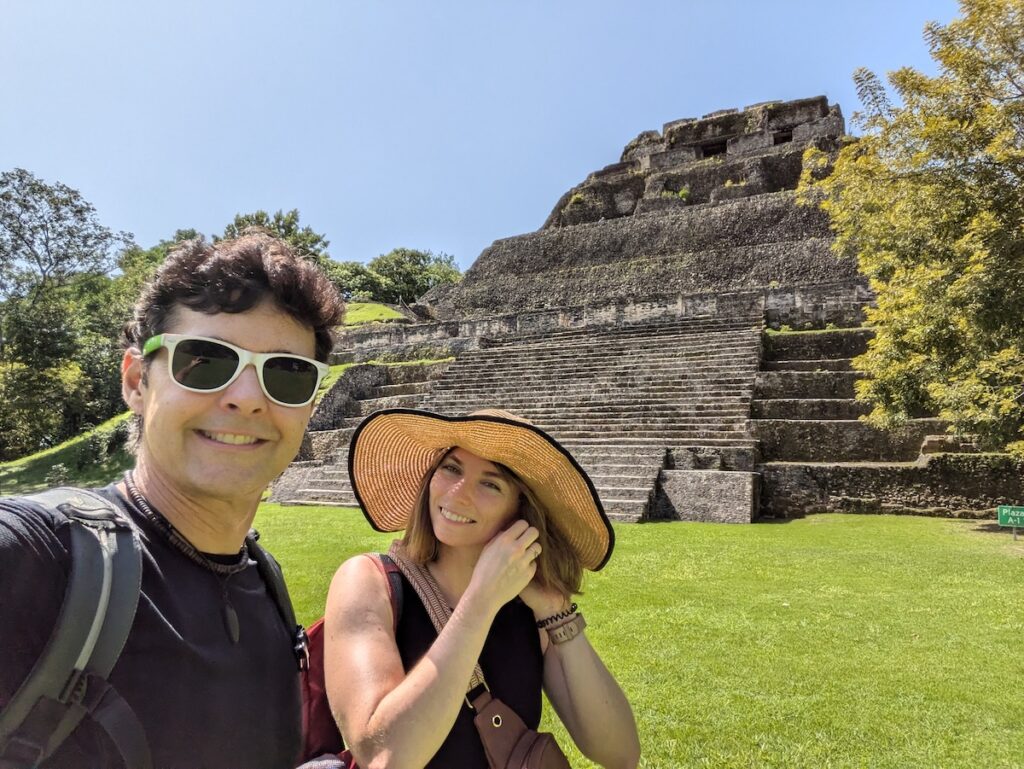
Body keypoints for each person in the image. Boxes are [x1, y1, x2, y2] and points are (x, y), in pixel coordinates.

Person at [0, 231, 345, 768]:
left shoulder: (265, 583)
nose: (247, 399)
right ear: (137, 381)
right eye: (205, 361)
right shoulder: (38, 559)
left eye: (287, 374)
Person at [324, 408, 641, 769]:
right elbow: (383, 757)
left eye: (491, 484)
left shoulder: (529, 610)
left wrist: (557, 612)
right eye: (451, 468)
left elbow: (620, 753)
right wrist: (481, 600)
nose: (458, 494)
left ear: (520, 511)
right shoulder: (368, 582)